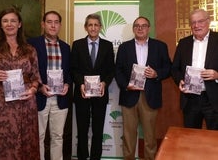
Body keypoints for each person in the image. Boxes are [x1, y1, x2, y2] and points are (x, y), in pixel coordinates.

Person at [0, 7, 41, 159]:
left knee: (26, 140)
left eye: (13, 21)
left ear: (19, 24)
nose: (9, 24)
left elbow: (36, 77)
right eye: (5, 21)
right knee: (0, 140)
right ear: (0, 25)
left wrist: (33, 90)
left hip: (25, 102)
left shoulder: (30, 50)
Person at [115, 16, 171, 160]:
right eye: (137, 26)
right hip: (129, 96)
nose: (140, 28)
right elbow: (118, 70)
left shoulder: (160, 46)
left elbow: (168, 68)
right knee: (128, 136)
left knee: (150, 136)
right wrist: (126, 85)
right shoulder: (124, 47)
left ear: (149, 28)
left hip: (150, 97)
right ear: (133, 29)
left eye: (144, 25)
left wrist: (156, 73)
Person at [27, 11, 71, 160]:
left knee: (58, 137)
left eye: (56, 22)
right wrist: (39, 87)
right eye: (49, 22)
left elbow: (69, 71)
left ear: (60, 25)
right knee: (37, 136)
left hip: (60, 98)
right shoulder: (32, 44)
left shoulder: (66, 47)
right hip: (40, 96)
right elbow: (27, 70)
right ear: (43, 24)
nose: (53, 25)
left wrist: (67, 84)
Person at [71, 13, 115, 160]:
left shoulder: (108, 46)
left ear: (100, 27)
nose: (93, 28)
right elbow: (73, 69)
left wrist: (104, 83)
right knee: (82, 130)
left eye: (96, 25)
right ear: (85, 27)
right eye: (90, 25)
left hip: (100, 94)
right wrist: (81, 84)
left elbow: (111, 70)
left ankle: (96, 158)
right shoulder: (77, 45)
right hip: (82, 93)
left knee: (98, 130)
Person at [171, 9, 218, 130]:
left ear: (208, 21)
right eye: (193, 22)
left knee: (215, 140)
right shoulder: (183, 43)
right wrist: (180, 80)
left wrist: (217, 75)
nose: (196, 25)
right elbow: (175, 68)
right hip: (190, 99)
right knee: (190, 138)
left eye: (200, 21)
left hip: (213, 99)